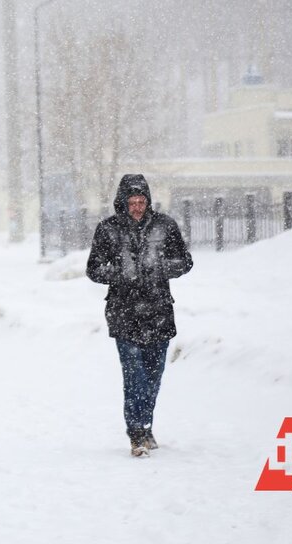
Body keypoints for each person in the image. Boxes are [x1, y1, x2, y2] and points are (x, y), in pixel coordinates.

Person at [86, 174, 193, 458]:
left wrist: (159, 267)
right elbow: (93, 269)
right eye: (132, 202)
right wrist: (121, 273)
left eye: (141, 201)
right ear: (122, 202)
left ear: (148, 200)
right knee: (135, 376)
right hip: (124, 313)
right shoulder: (108, 229)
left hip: (159, 312)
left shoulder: (165, 226)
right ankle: (136, 432)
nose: (137, 207)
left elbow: (185, 261)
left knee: (153, 376)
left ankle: (146, 427)